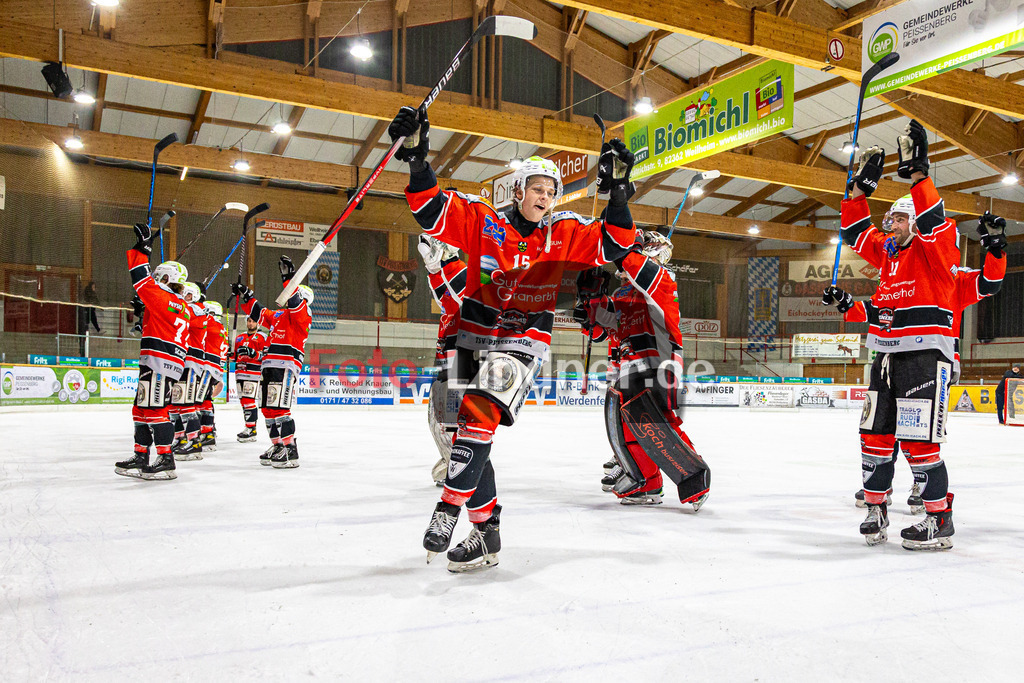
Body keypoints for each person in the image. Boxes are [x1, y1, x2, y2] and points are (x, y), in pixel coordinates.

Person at [388, 104, 637, 572]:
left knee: (480, 416)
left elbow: (617, 243)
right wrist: (419, 157)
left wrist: (619, 192)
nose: (544, 196)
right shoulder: (483, 220)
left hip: (524, 339)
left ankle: (447, 510)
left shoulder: (564, 232)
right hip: (471, 338)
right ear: (518, 190)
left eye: (551, 190)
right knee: (460, 432)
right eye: (537, 188)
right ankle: (487, 532)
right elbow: (431, 209)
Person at [823, 120, 962, 550]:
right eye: (890, 217)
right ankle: (876, 507)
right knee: (874, 435)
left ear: (915, 221)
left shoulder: (935, 249)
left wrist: (920, 177)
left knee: (919, 443)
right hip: (884, 358)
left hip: (925, 357)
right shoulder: (888, 257)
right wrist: (858, 193)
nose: (891, 224)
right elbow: (854, 233)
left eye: (899, 217)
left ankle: (939, 520)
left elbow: (938, 225)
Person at [843, 211, 1007, 512]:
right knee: (885, 425)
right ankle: (883, 479)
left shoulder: (949, 274)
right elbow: (880, 310)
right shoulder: (901, 267)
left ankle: (922, 484)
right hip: (898, 351)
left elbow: (989, 282)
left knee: (918, 430)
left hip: (934, 357)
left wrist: (995, 250)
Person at [581, 231, 711, 509]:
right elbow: (608, 330)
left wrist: (622, 248)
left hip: (658, 359)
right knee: (630, 427)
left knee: (658, 422)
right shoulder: (623, 292)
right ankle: (645, 482)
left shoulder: (662, 279)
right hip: (627, 364)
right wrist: (591, 304)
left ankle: (694, 481)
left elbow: (640, 271)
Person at [114, 222, 190, 481]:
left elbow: (140, 280)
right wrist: (143, 313)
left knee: (156, 410)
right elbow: (157, 319)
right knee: (141, 409)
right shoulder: (176, 303)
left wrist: (142, 250)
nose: (156, 279)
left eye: (159, 276)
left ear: (166, 279)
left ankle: (166, 459)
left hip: (160, 362)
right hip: (159, 360)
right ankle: (141, 455)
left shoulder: (163, 298)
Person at [232, 256, 313, 468]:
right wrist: (246, 296)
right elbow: (259, 313)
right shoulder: (279, 315)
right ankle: (277, 445)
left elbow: (294, 302)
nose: (286, 297)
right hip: (269, 365)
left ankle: (290, 450)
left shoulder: (302, 314)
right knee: (268, 408)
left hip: (285, 365)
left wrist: (288, 279)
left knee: (280, 409)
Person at [417, 234, 468, 486]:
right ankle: (453, 461)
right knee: (435, 419)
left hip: (462, 359)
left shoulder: (469, 277)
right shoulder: (451, 304)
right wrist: (434, 268)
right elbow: (445, 298)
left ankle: (461, 464)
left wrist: (449, 261)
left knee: (451, 421)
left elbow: (462, 293)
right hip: (448, 360)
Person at [171, 282, 208, 462]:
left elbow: (183, 320)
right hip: (182, 359)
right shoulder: (189, 308)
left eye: (186, 294)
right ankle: (180, 437)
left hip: (191, 360)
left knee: (185, 403)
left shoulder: (197, 310)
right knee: (176, 402)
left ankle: (194, 442)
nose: (182, 297)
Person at [233, 316, 266, 442]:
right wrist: (230, 355)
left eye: (253, 321)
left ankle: (251, 429)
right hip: (240, 371)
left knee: (248, 400)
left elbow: (267, 355)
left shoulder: (263, 337)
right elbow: (235, 356)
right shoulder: (239, 337)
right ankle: (248, 426)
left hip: (253, 372)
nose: (250, 323)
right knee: (243, 402)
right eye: (249, 321)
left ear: (258, 323)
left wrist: (254, 354)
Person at [199, 300, 227, 450]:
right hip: (215, 368)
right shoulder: (220, 327)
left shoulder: (211, 325)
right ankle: (208, 430)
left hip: (207, 366)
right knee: (206, 400)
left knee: (199, 401)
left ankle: (206, 433)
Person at [78, 281, 101, 355]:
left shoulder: (93, 293)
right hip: (87, 309)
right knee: (91, 318)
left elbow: (96, 300)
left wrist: (100, 306)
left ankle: (96, 329)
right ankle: (96, 329)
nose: (94, 288)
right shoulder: (88, 292)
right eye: (93, 287)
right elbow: (91, 299)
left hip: (91, 309)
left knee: (92, 318)